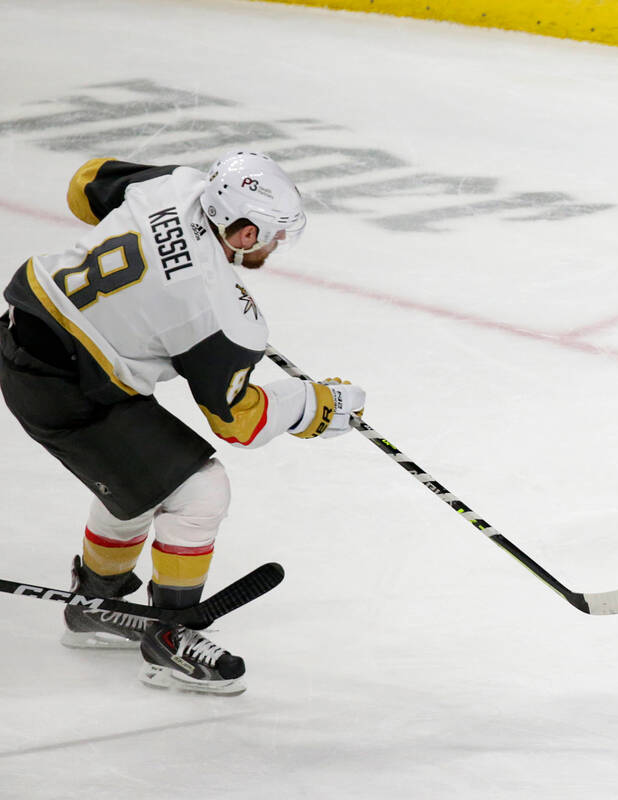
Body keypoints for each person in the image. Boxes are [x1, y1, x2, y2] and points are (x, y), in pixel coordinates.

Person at [0, 151, 366, 694]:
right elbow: (239, 422)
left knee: (143, 475)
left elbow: (84, 186)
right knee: (199, 492)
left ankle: (98, 604)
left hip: (22, 333)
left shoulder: (176, 186)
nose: (278, 244)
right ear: (242, 234)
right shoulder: (219, 314)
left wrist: (152, 258)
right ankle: (171, 635)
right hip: (65, 390)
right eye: (273, 234)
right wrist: (313, 405)